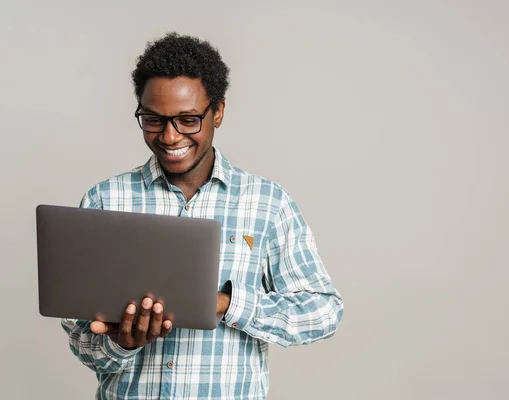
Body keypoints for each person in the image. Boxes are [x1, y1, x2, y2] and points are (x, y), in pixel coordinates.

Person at [60, 32, 344, 399]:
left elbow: (323, 312)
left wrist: (227, 304)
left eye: (188, 119)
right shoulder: (104, 200)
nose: (169, 136)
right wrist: (120, 342)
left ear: (219, 112)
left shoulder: (267, 202)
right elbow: (80, 337)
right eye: (153, 119)